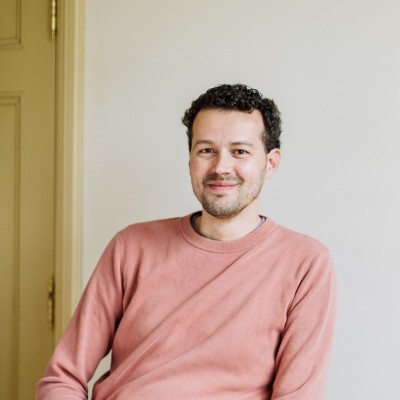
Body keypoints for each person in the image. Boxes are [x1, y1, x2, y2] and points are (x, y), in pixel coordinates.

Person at [36, 84, 337, 400]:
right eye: (206, 150)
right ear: (190, 159)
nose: (220, 167)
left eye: (240, 151)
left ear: (270, 163)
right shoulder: (130, 247)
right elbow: (61, 379)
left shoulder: (306, 263)